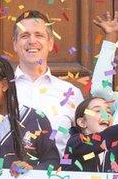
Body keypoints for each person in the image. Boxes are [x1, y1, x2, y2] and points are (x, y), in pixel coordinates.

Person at [10, 10, 84, 154]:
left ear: (50, 43)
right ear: (15, 44)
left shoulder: (71, 93)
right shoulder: (0, 90)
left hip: (60, 175)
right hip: (8, 174)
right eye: (25, 35)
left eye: (39, 35)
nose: (32, 41)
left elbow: (87, 141)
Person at [62, 96, 118, 172]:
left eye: (109, 112)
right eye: (97, 111)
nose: (106, 115)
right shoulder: (74, 143)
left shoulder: (115, 150)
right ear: (82, 122)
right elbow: (103, 138)